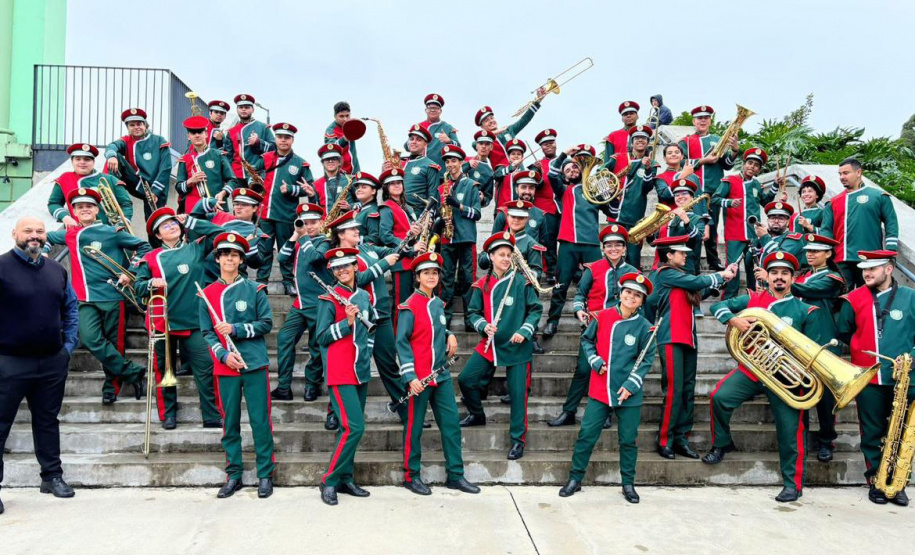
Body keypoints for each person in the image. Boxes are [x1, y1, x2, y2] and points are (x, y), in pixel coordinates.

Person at [705, 252, 826, 503]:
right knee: (719, 397)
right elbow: (718, 306)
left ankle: (793, 484)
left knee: (791, 430)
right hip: (752, 369)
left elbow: (814, 351)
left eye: (784, 273)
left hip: (786, 375)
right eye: (774, 273)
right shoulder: (753, 298)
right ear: (767, 277)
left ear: (793, 278)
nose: (779, 278)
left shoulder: (806, 309)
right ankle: (723, 443)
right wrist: (734, 320)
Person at [0, 216, 80, 514]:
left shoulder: (57, 270)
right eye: (28, 231)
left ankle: (52, 477)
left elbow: (71, 308)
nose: (34, 236)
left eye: (39, 231)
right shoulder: (2, 267)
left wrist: (67, 349)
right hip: (9, 363)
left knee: (47, 421)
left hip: (50, 362)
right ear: (14, 234)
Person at [44, 188, 151, 404]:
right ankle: (131, 371)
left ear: (96, 210)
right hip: (83, 298)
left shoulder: (112, 230)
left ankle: (111, 388)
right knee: (91, 339)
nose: (84, 209)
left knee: (114, 343)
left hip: (113, 296)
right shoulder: (70, 234)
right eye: (80, 207)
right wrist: (45, 249)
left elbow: (144, 246)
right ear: (73, 211)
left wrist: (130, 272)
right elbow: (44, 236)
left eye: (89, 206)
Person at [558, 273, 656, 504]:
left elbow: (646, 360)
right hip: (601, 388)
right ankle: (575, 478)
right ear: (621, 294)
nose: (631, 297)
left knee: (628, 440)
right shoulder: (602, 316)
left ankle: (628, 484)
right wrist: (594, 360)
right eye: (628, 292)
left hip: (628, 392)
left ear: (642, 301)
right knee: (586, 435)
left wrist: (631, 385)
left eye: (637, 295)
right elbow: (587, 341)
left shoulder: (646, 327)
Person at [198, 232, 275, 499]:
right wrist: (222, 355)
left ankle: (265, 474)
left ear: (241, 259)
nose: (229, 258)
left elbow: (266, 323)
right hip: (225, 367)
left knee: (260, 421)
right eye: (224, 254)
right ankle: (234, 474)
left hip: (253, 363)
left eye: (234, 255)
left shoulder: (255, 289)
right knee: (229, 422)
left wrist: (236, 328)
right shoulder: (207, 294)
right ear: (217, 259)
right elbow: (207, 332)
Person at [834, 249, 915, 506]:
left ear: (889, 269)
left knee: (904, 433)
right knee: (872, 432)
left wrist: (911, 356)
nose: (867, 273)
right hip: (869, 378)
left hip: (907, 379)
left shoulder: (911, 297)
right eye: (864, 269)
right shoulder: (852, 299)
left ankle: (898, 483)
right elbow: (844, 332)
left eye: (873, 268)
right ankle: (876, 482)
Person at [396, 252, 480, 496]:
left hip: (440, 376)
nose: (431, 276)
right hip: (419, 379)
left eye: (434, 272)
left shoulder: (438, 303)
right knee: (414, 428)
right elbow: (401, 343)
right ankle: (411, 476)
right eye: (426, 273)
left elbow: (434, 329)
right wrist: (410, 378)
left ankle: (455, 475)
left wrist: (449, 333)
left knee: (451, 424)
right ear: (417, 277)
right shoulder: (408, 306)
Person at [133, 208, 225, 430]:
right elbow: (138, 287)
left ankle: (211, 414)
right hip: (163, 322)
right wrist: (150, 284)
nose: (171, 226)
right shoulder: (150, 257)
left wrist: (192, 221)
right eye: (165, 226)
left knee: (206, 368)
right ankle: (168, 415)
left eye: (174, 223)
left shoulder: (195, 248)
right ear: (157, 235)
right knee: (165, 372)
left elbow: (219, 234)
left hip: (194, 321)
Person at [645, 235, 736, 459]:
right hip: (670, 337)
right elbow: (697, 283)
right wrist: (718, 275)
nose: (686, 255)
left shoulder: (680, 277)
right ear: (669, 255)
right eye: (681, 252)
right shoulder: (664, 273)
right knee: (674, 391)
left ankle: (681, 438)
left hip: (688, 337)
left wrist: (721, 281)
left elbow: (695, 293)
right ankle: (665, 440)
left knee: (687, 391)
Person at [458, 233, 543, 461]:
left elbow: (535, 309)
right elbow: (473, 313)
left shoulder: (521, 281)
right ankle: (477, 414)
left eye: (509, 255)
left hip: (517, 346)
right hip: (490, 344)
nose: (506, 259)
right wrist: (483, 326)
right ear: (491, 257)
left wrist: (524, 331)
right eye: (501, 255)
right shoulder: (481, 284)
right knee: (466, 379)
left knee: (517, 395)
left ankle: (518, 440)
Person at [327, 210, 415, 424]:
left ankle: (405, 411)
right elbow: (359, 279)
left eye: (357, 228)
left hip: (381, 315)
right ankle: (335, 413)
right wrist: (385, 264)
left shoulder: (366, 248)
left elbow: (393, 251)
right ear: (340, 234)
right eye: (352, 229)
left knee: (389, 366)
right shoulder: (341, 257)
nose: (358, 231)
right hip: (358, 318)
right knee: (349, 367)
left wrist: (409, 241)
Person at [549, 224, 638, 428]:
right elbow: (580, 294)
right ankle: (568, 411)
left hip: (620, 329)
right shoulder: (593, 268)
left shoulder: (632, 272)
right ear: (603, 248)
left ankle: (606, 410)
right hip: (594, 327)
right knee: (583, 369)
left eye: (618, 245)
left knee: (611, 371)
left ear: (625, 248)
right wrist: (579, 309)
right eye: (609, 245)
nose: (613, 249)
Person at [315, 247, 376, 506]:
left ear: (355, 266)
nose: (342, 271)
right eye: (337, 268)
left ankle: (346, 477)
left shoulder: (364, 296)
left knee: (347, 428)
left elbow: (371, 332)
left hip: (360, 369)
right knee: (355, 427)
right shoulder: (328, 299)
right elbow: (321, 337)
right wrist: (346, 323)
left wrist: (367, 351)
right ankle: (329, 479)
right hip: (340, 370)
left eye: (346, 266)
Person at [542, 145, 608, 339]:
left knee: (596, 284)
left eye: (577, 167)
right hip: (568, 243)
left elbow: (612, 211)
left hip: (591, 244)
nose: (573, 170)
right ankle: (553, 321)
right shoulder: (564, 190)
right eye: (569, 168)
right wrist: (565, 154)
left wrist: (610, 197)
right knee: (560, 285)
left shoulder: (595, 190)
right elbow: (552, 173)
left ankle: (594, 320)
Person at [791, 233, 846, 462]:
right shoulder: (804, 276)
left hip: (824, 343)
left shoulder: (833, 278)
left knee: (825, 399)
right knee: (798, 393)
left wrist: (778, 280)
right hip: (800, 341)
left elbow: (807, 292)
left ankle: (826, 441)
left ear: (828, 253)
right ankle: (799, 438)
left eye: (816, 250)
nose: (810, 254)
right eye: (808, 251)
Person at [273, 204, 328, 404]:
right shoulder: (301, 241)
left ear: (321, 223)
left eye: (313, 223)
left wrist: (303, 236)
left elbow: (315, 258)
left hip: (319, 303)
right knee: (284, 339)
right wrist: (295, 236)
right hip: (301, 303)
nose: (309, 226)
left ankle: (312, 384)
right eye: (305, 223)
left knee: (316, 345)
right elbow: (281, 257)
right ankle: (284, 386)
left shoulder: (326, 242)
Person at [250, 122, 315, 293]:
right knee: (264, 250)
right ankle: (261, 282)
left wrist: (292, 189)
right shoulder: (265, 158)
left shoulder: (301, 163)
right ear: (275, 139)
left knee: (286, 249)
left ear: (292, 140)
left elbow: (310, 188)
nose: (283, 140)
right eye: (280, 137)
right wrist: (254, 184)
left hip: (286, 214)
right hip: (265, 213)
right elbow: (253, 175)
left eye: (287, 137)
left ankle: (288, 282)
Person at [677, 105, 739, 271]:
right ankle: (690, 261)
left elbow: (726, 165)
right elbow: (679, 163)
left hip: (713, 191)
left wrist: (734, 151)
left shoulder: (719, 139)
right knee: (691, 225)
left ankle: (713, 260)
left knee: (711, 227)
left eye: (706, 117)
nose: (702, 120)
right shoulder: (686, 141)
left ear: (710, 120)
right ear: (694, 121)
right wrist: (703, 161)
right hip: (692, 192)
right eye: (699, 118)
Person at [821, 158, 899, 287]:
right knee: (842, 301)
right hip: (840, 260)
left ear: (858, 172)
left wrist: (890, 250)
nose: (842, 177)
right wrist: (826, 254)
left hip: (871, 259)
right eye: (840, 174)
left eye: (846, 173)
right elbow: (826, 229)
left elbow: (891, 223)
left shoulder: (878, 196)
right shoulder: (833, 202)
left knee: (871, 298)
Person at [713, 148, 780, 299]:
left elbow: (765, 202)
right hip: (734, 232)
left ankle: (753, 298)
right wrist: (729, 202)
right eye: (750, 163)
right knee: (733, 268)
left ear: (759, 169)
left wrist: (775, 186)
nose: (752, 167)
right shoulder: (729, 181)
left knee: (754, 267)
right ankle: (729, 299)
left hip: (753, 234)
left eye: (756, 165)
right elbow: (715, 199)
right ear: (743, 164)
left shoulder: (757, 185)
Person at [435, 146, 482, 329]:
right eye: (447, 161)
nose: (450, 165)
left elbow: (477, 214)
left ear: (461, 162)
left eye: (454, 161)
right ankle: (444, 319)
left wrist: (459, 206)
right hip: (447, 239)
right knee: (445, 278)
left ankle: (470, 319)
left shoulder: (471, 185)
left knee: (467, 279)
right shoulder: (442, 187)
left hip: (466, 238)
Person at [104, 108, 172, 219]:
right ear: (128, 128)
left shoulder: (159, 140)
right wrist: (111, 156)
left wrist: (155, 191)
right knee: (115, 157)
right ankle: (111, 195)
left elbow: (166, 167)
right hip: (137, 183)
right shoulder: (126, 140)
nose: (136, 127)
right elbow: (112, 146)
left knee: (155, 222)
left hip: (156, 187)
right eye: (132, 125)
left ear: (145, 125)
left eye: (139, 123)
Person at [190, 189, 269, 283]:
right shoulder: (219, 216)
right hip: (204, 277)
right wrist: (208, 202)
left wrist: (249, 247)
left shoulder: (258, 233)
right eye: (236, 204)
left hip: (231, 281)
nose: (239, 207)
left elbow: (257, 264)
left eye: (244, 205)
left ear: (255, 208)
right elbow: (194, 220)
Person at [48, 143, 134, 229]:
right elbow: (53, 203)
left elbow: (126, 204)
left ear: (93, 162)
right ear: (72, 161)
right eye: (78, 159)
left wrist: (122, 224)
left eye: (87, 159)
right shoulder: (65, 178)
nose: (82, 162)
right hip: (80, 231)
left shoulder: (110, 179)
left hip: (110, 231)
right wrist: (65, 217)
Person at [607, 125, 658, 269]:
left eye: (643, 138)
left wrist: (647, 169)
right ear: (631, 141)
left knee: (634, 257)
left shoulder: (652, 163)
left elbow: (647, 188)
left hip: (635, 216)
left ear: (647, 141)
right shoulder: (618, 158)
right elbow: (602, 174)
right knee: (611, 253)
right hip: (615, 214)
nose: (640, 141)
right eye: (637, 138)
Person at [378, 167, 423, 311]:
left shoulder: (408, 208)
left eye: (399, 182)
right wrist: (409, 246)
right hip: (401, 263)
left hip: (413, 262)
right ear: (386, 188)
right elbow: (385, 236)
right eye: (392, 183)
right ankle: (397, 333)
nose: (397, 185)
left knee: (413, 303)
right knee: (401, 303)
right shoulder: (386, 208)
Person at [174, 116, 237, 213]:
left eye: (200, 132)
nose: (197, 135)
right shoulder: (184, 159)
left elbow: (232, 180)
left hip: (217, 207)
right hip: (193, 209)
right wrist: (190, 181)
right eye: (193, 133)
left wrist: (223, 193)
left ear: (206, 134)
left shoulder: (219, 155)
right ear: (188, 137)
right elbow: (179, 188)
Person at [647, 177, 707, 276]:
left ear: (692, 197)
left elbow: (697, 239)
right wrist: (650, 235)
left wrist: (686, 220)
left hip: (686, 268)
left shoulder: (698, 219)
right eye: (677, 195)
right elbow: (654, 243)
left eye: (684, 194)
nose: (680, 197)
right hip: (664, 267)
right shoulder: (667, 218)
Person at [530, 128, 561, 276]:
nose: (548, 146)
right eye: (545, 144)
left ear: (555, 144)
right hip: (545, 207)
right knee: (548, 240)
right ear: (541, 147)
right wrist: (537, 172)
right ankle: (550, 271)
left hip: (563, 206)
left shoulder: (565, 161)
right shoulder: (536, 165)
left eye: (551, 142)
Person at [473, 102, 540, 169]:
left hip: (519, 173)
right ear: (482, 127)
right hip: (503, 175)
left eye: (491, 118)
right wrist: (494, 133)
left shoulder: (508, 130)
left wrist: (538, 100)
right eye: (486, 121)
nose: (491, 121)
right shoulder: (485, 141)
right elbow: (474, 144)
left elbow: (524, 119)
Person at [224, 94, 274, 182]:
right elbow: (228, 157)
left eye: (247, 107)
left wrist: (259, 142)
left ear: (253, 110)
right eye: (241, 107)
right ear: (237, 110)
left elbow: (274, 148)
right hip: (237, 176)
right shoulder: (231, 131)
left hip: (258, 174)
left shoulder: (263, 127)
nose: (243, 109)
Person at [393, 124, 440, 212]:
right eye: (411, 139)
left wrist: (428, 218)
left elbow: (433, 196)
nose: (414, 142)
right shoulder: (399, 162)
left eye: (418, 140)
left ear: (425, 144)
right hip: (395, 210)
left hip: (416, 213)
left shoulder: (430, 165)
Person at [491, 170, 546, 243]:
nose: (527, 191)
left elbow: (544, 245)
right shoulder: (504, 212)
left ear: (535, 190)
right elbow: (493, 241)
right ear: (516, 189)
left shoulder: (540, 214)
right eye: (523, 187)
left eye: (531, 188)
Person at [755, 201, 806, 270]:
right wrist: (758, 240)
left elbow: (780, 258)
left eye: (781, 218)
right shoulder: (767, 238)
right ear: (767, 220)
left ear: (788, 222)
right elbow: (749, 261)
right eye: (772, 218)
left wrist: (764, 237)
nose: (776, 221)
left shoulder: (794, 238)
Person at [309, 143, 353, 213]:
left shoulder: (350, 180)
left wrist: (350, 207)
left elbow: (361, 203)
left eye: (334, 159)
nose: (330, 161)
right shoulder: (316, 184)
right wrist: (311, 196)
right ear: (323, 163)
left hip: (347, 221)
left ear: (339, 162)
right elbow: (314, 209)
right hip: (326, 222)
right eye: (327, 159)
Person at [418, 93, 460, 168]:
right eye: (430, 108)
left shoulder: (448, 127)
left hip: (441, 169)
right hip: (421, 168)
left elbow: (458, 146)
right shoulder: (419, 126)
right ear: (426, 110)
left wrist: (449, 141)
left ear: (440, 111)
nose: (433, 110)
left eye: (436, 108)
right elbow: (407, 146)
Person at [324, 101, 359, 174]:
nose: (345, 119)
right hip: (339, 174)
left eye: (347, 116)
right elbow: (331, 147)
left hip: (355, 171)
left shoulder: (350, 125)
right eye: (341, 116)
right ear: (335, 116)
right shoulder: (330, 130)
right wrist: (345, 139)